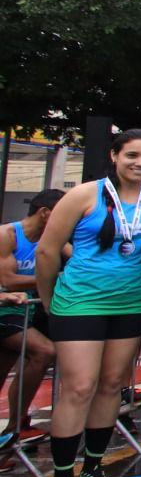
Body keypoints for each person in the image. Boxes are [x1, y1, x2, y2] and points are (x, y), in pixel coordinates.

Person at [34, 130, 141, 477]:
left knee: (113, 385)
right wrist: (49, 304)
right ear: (114, 155)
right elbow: (47, 251)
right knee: (79, 387)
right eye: (132, 155)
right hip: (80, 303)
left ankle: (93, 470)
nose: (140, 163)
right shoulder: (83, 196)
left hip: (130, 302)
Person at [0, 189, 64, 448]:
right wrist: (54, 277)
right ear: (45, 213)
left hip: (21, 311)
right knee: (44, 351)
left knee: (5, 369)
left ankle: (15, 427)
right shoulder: (8, 235)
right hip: (5, 309)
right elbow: (8, 280)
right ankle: (15, 426)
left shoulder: (51, 239)